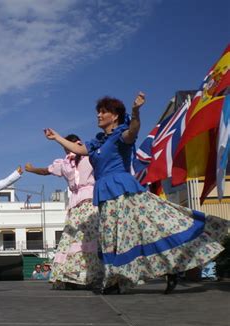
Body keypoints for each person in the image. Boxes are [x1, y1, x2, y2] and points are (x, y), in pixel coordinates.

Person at [44, 92, 228, 294]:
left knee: (136, 233)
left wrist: (135, 112)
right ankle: (121, 277)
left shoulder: (120, 135)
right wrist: (57, 138)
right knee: (112, 237)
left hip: (123, 191)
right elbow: (78, 150)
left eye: (103, 112)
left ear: (114, 116)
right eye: (98, 112)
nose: (98, 115)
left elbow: (133, 132)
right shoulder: (98, 142)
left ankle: (119, 279)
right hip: (105, 193)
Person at [25, 134, 103, 290]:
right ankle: (69, 275)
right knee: (71, 238)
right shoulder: (64, 163)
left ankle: (94, 275)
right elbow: (46, 171)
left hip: (91, 199)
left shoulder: (90, 154)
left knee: (92, 238)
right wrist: (31, 169)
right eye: (64, 146)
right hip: (75, 204)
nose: (66, 148)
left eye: (68, 144)